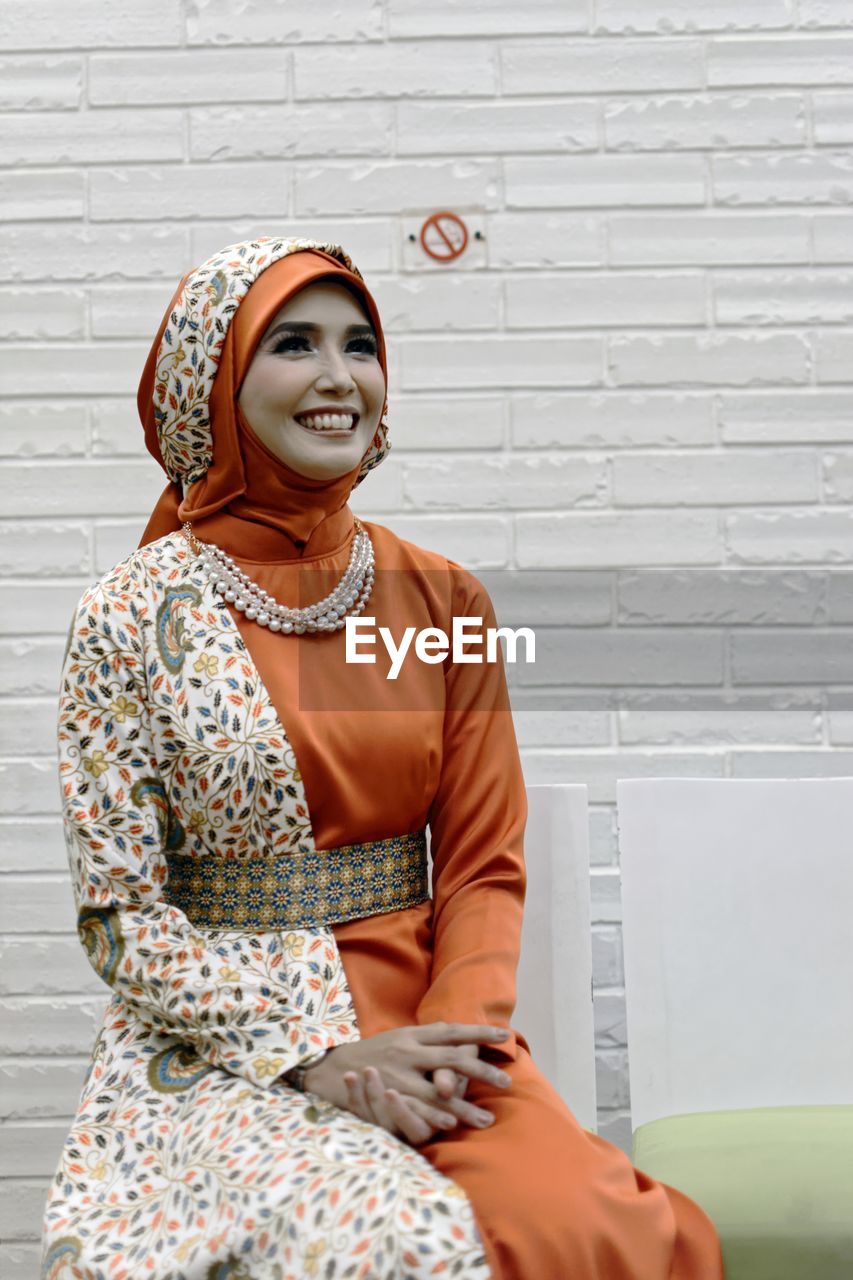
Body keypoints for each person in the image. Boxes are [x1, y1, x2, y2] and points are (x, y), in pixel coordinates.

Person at [42, 236, 724, 1280]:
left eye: (360, 344)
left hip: (428, 1014)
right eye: (292, 344)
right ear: (213, 381)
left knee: (573, 1223)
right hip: (223, 1038)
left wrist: (449, 1052)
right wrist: (312, 1057)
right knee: (364, 1240)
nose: (337, 375)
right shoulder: (129, 617)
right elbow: (121, 915)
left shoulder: (438, 598)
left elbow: (483, 860)